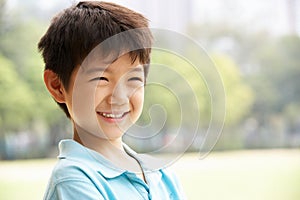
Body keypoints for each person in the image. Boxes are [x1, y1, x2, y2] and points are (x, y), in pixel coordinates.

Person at [38, 1, 185, 199]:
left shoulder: (160, 175)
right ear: (57, 86)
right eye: (101, 79)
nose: (119, 97)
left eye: (133, 79)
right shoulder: (74, 179)